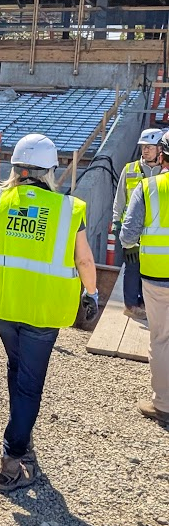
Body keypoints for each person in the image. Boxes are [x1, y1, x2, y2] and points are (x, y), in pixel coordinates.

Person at [0, 134, 98, 494]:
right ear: (49, 171)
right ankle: (12, 458)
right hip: (43, 311)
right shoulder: (67, 208)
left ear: (16, 169)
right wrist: (92, 293)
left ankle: (22, 437)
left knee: (17, 370)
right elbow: (84, 259)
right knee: (29, 383)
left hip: (3, 306)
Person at [120, 131, 169, 425]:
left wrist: (131, 247)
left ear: (162, 155)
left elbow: (128, 234)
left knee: (162, 339)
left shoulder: (148, 187)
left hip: (157, 277)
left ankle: (163, 404)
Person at [112, 127, 164, 321]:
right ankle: (131, 305)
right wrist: (116, 221)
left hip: (155, 234)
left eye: (150, 147)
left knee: (149, 269)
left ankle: (143, 301)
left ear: (160, 149)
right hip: (132, 231)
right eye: (143, 147)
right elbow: (119, 198)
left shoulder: (164, 172)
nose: (145, 151)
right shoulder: (130, 169)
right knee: (132, 267)